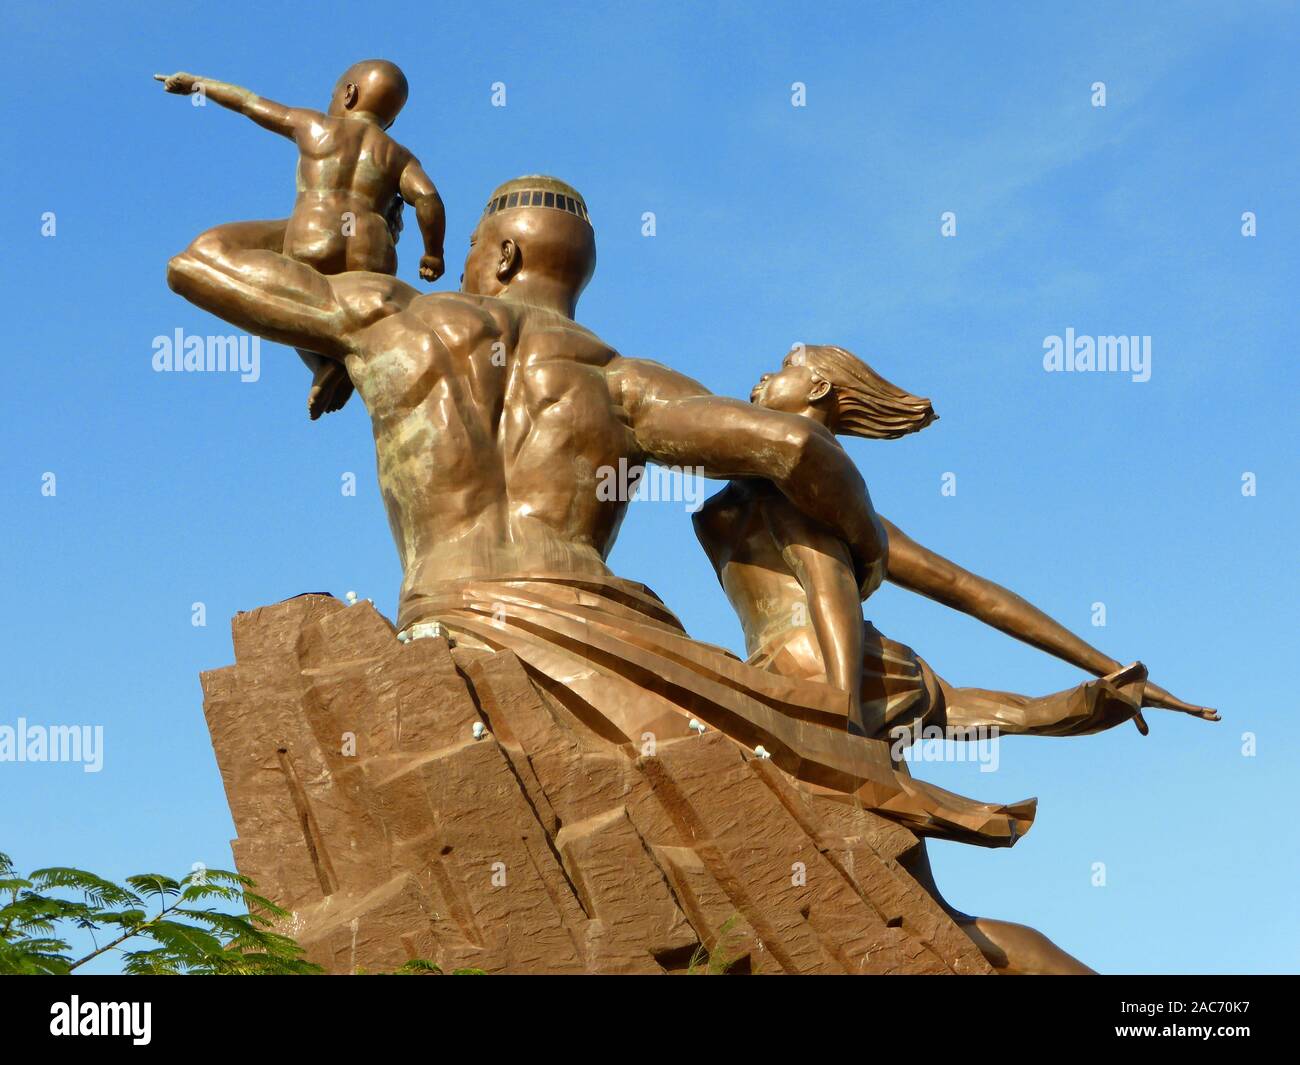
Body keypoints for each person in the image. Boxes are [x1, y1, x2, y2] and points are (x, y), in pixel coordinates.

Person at [164, 175, 1036, 847]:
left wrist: (337, 220)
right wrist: (869, 549)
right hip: (611, 649)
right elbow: (798, 449)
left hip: (452, 616)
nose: (465, 266)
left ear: (501, 255)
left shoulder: (393, 315)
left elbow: (198, 261)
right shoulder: (625, 382)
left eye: (470, 247)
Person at [693, 343, 1218, 743]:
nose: (764, 375)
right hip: (828, 673)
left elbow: (830, 575)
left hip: (823, 673)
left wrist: (840, 704)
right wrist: (1104, 677)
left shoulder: (810, 479)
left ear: (818, 392)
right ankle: (1087, 703)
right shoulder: (821, 500)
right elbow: (970, 590)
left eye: (786, 366)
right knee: (925, 756)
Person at [156, 60, 446, 418]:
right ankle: (333, 364)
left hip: (314, 241)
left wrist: (199, 84)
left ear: (349, 95)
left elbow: (249, 103)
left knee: (283, 290)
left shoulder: (316, 125)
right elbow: (429, 198)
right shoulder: (399, 156)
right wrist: (433, 254)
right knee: (307, 293)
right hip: (373, 261)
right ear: (392, 120)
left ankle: (325, 361)